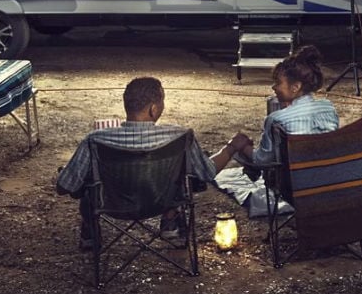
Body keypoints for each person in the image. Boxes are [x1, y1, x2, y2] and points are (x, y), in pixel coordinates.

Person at [56, 77, 245, 250]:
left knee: (88, 178)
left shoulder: (95, 140)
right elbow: (206, 173)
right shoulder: (180, 137)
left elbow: (65, 185)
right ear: (153, 109)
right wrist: (231, 147)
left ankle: (91, 232)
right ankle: (170, 222)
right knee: (184, 174)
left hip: (111, 205)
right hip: (161, 202)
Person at [229, 45, 339, 169]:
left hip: (298, 182)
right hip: (330, 177)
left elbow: (261, 160)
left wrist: (242, 146)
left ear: (295, 87)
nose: (273, 87)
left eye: (278, 82)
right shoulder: (328, 108)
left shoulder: (277, 119)